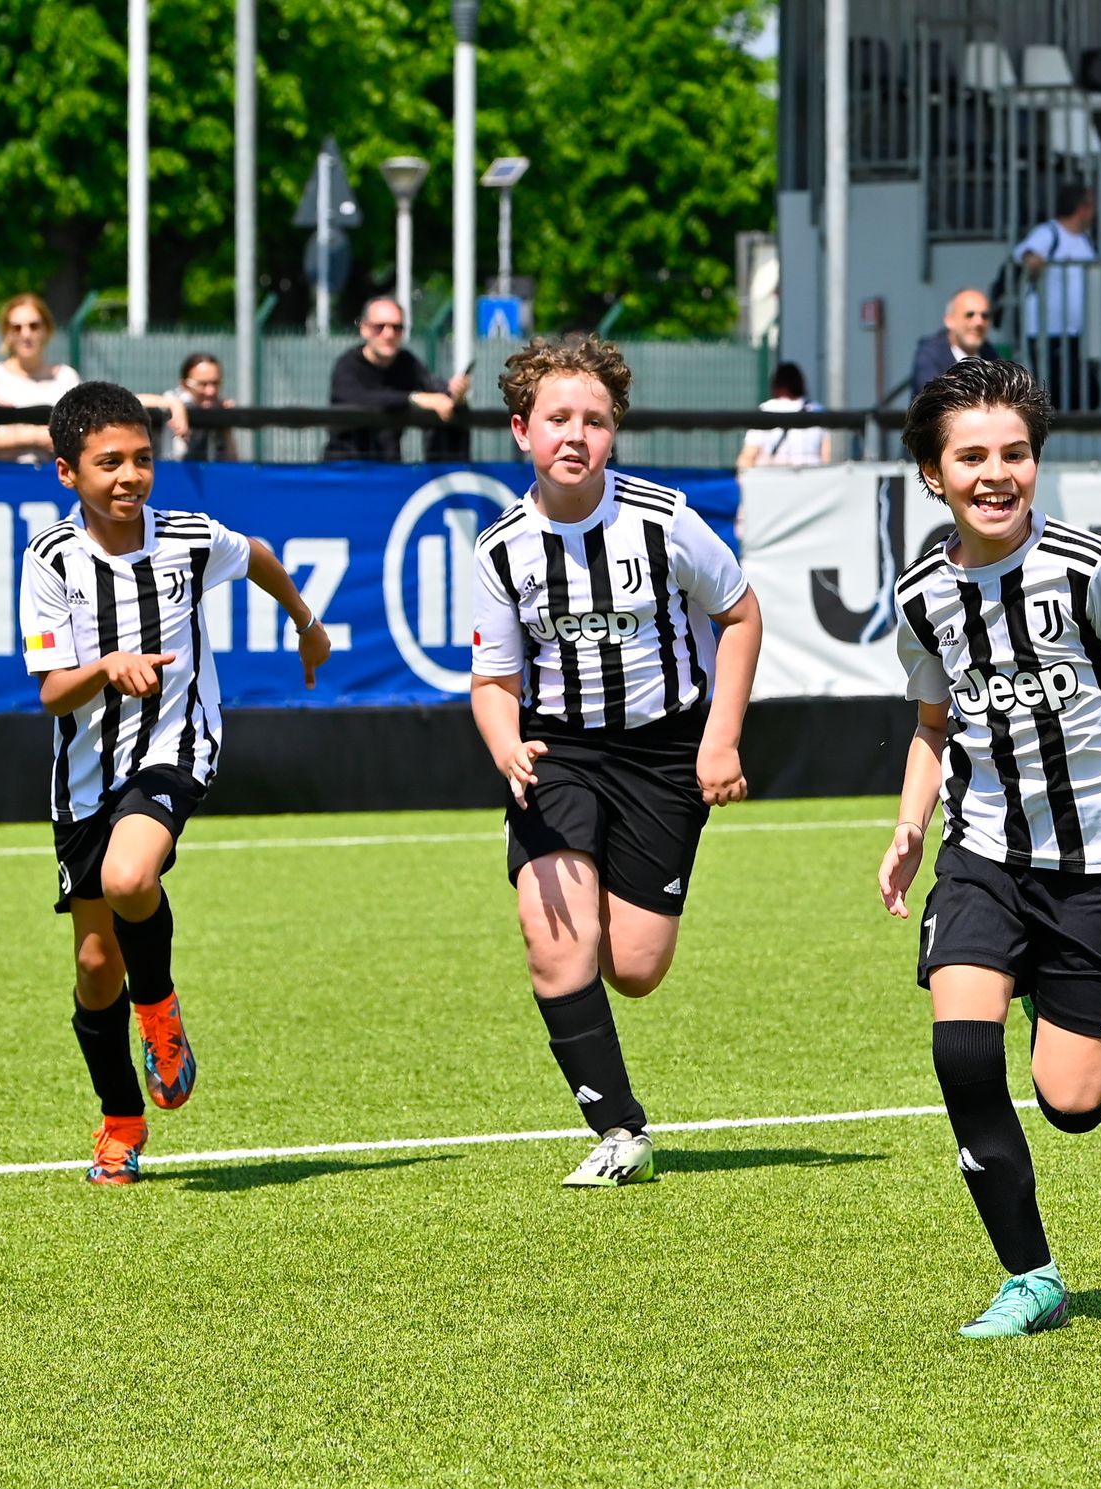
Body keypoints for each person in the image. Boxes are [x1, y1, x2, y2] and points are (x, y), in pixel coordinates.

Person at [878, 358, 1101, 1337]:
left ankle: (1048, 987)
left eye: (1015, 454)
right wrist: (911, 826)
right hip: (983, 857)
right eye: (971, 458)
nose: (996, 474)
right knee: (961, 1053)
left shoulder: (1091, 570)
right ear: (931, 472)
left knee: (1072, 1103)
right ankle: (1028, 1274)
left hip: (1099, 868)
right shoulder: (920, 597)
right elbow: (931, 722)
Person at [18, 381, 332, 1184]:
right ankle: (121, 1120)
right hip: (84, 778)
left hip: (176, 747)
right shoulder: (51, 559)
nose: (129, 477)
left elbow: (256, 553)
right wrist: (106, 668)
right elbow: (53, 691)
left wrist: (305, 622)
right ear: (67, 474)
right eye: (108, 463)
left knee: (131, 877)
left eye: (142, 459)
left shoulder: (188, 539)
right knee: (94, 968)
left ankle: (158, 1009)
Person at [469, 336, 764, 1188]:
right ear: (522, 431)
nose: (576, 435)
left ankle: (610, 922)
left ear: (614, 434)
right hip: (556, 751)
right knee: (554, 940)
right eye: (557, 419)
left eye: (594, 421)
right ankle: (618, 1128)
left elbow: (741, 617)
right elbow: (492, 682)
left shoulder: (664, 519)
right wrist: (504, 744)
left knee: (633, 968)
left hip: (666, 752)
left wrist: (720, 738)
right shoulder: (500, 550)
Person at [321, 296, 471, 462]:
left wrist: (458, 394)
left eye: (397, 327)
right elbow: (360, 399)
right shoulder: (348, 365)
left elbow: (438, 392)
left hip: (389, 472)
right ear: (364, 328)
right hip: (346, 470)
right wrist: (415, 398)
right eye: (379, 327)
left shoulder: (407, 363)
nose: (389, 334)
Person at [1011, 182, 1099, 412]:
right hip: (1048, 329)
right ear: (1081, 209)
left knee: (1086, 393)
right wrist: (1035, 263)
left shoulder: (1085, 239)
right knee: (1057, 390)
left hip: (1077, 331)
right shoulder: (1049, 232)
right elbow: (1026, 254)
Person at [0, 293, 80, 463]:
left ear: (46, 330)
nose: (26, 334)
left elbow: (78, 435)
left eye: (34, 326)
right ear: (7, 333)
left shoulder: (66, 377)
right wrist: (35, 437)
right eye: (17, 327)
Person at [909, 289, 1003, 397]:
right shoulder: (930, 355)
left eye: (985, 316)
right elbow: (934, 401)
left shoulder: (992, 356)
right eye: (969, 315)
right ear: (949, 320)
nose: (978, 322)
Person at [737, 361, 829, 469]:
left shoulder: (765, 410)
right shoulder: (817, 411)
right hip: (811, 477)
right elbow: (825, 456)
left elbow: (749, 455)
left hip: (774, 478)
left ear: (775, 385)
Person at [163, 353, 234, 463]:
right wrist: (175, 405)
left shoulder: (219, 407)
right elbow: (137, 401)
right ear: (185, 385)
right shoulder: (173, 400)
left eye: (216, 383)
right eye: (202, 384)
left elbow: (231, 460)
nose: (211, 391)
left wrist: (226, 427)